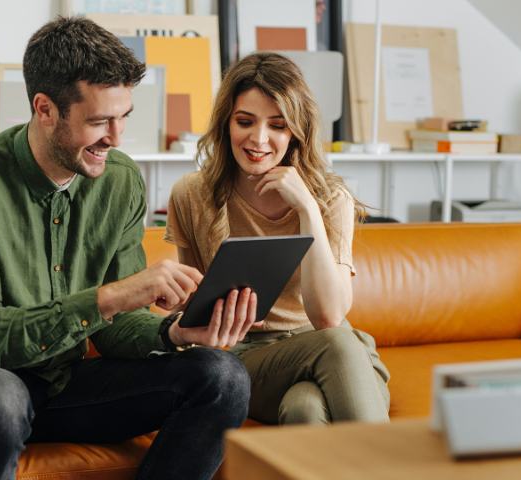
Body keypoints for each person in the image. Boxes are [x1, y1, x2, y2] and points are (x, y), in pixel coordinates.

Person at [0, 17, 254, 480]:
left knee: (222, 378)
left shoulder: (120, 182)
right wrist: (111, 296)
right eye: (100, 121)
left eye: (123, 117)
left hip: (60, 385)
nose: (117, 138)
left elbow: (115, 329)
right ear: (45, 109)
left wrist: (174, 334)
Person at [165, 52, 390, 425]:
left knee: (305, 407)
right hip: (246, 357)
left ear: (296, 131)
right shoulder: (191, 195)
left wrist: (307, 210)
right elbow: (191, 308)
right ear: (226, 124)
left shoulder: (329, 199)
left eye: (278, 125)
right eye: (245, 121)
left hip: (335, 354)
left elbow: (329, 316)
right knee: (334, 347)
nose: (259, 139)